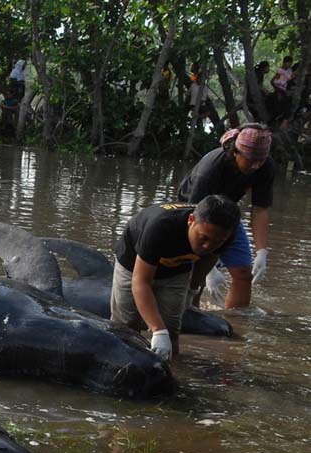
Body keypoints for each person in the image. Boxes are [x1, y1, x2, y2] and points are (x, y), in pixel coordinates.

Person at [110, 196, 241, 361]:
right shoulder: (160, 226)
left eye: (218, 241)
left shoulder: (226, 233)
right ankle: (121, 365)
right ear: (191, 220)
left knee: (171, 331)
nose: (208, 246)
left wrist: (192, 289)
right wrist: (157, 330)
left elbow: (209, 257)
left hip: (177, 268)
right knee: (127, 326)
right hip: (133, 264)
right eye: (203, 238)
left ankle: (171, 372)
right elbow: (141, 282)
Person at [177, 123, 274, 308]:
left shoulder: (265, 166)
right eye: (251, 160)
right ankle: (191, 316)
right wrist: (209, 268)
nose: (255, 165)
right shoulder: (211, 168)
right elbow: (193, 214)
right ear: (235, 152)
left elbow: (260, 209)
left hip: (227, 214)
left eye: (260, 161)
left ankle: (236, 323)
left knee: (244, 274)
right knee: (196, 278)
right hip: (193, 214)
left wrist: (262, 250)